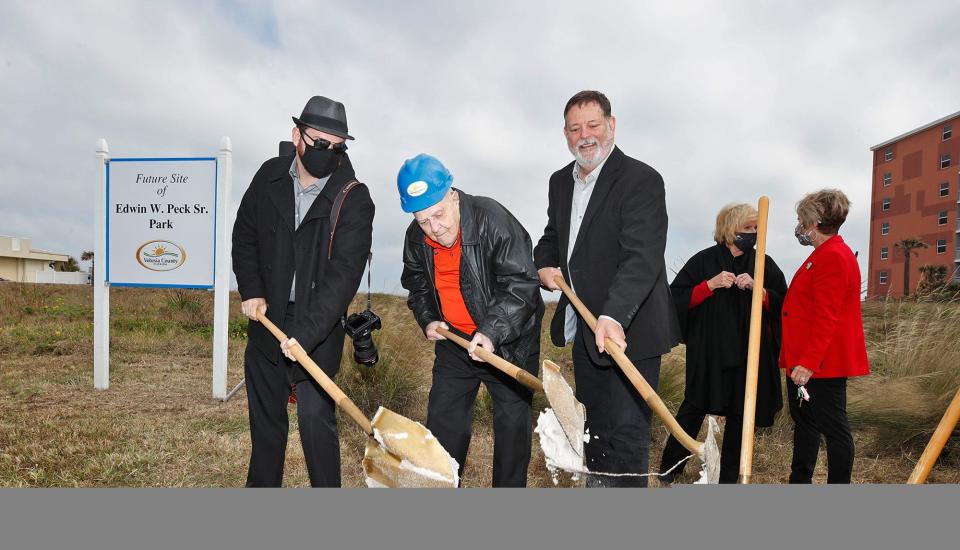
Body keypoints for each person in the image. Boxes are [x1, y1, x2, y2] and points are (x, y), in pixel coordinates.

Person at [534, 90, 680, 487]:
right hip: (585, 328)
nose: (585, 136)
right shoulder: (560, 183)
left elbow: (642, 257)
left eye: (593, 125)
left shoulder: (641, 180)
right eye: (575, 128)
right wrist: (544, 262)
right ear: (565, 134)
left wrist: (613, 315)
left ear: (611, 125)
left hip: (629, 331)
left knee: (628, 433)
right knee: (594, 428)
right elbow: (555, 237)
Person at [232, 95, 375, 487]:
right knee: (266, 431)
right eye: (319, 143)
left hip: (318, 328)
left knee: (315, 426)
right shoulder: (269, 176)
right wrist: (252, 290)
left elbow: (344, 277)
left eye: (337, 147)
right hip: (267, 321)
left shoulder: (354, 198)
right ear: (297, 135)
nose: (328, 153)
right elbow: (244, 236)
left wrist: (306, 335)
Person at [398, 154, 543, 487]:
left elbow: (521, 285)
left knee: (511, 430)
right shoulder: (416, 236)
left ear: (453, 195)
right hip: (455, 341)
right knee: (443, 423)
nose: (435, 228)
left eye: (438, 214)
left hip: (508, 343)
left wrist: (491, 333)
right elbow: (416, 283)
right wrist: (428, 318)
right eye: (423, 220)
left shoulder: (493, 219)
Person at [659, 203, 787, 484]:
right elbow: (675, 300)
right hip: (709, 354)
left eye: (756, 228)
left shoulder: (764, 264)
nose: (752, 234)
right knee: (693, 408)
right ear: (730, 230)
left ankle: (729, 478)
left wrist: (760, 290)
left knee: (742, 415)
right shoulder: (703, 262)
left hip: (748, 355)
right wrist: (708, 286)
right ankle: (670, 469)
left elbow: (783, 303)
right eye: (747, 228)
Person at [781, 189, 869, 483]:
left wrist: (808, 363)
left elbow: (827, 317)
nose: (800, 226)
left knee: (834, 430)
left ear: (815, 222)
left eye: (802, 220)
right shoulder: (822, 255)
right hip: (806, 360)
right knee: (805, 425)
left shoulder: (833, 256)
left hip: (821, 364)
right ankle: (799, 481)